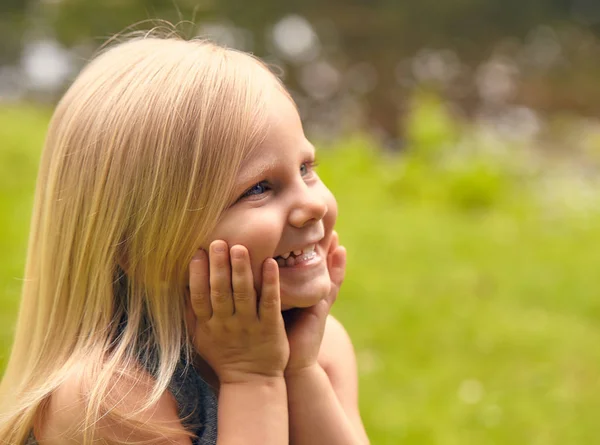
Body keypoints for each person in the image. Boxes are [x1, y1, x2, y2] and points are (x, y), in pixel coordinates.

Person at [0, 33, 369, 445]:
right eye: (260, 188)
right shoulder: (109, 400)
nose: (312, 205)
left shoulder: (321, 347)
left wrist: (300, 371)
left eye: (305, 168)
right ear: (143, 252)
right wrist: (253, 377)